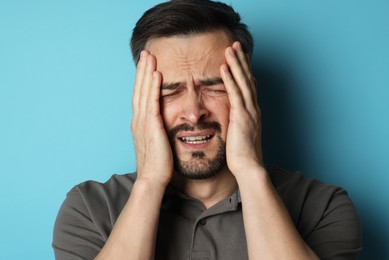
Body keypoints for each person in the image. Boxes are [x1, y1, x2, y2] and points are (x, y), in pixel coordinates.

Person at [53, 0, 362, 259]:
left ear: (248, 93)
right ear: (142, 101)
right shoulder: (90, 209)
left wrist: (250, 170)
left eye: (214, 88)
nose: (193, 112)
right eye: (169, 92)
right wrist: (148, 182)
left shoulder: (322, 206)